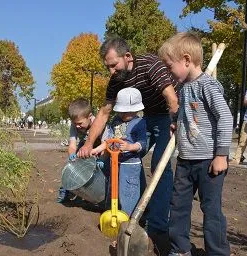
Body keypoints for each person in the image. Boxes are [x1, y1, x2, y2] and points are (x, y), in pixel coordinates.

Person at [77, 36, 179, 239]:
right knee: (124, 156)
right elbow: (104, 113)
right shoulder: (116, 80)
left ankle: (158, 225)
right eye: (108, 67)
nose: (111, 71)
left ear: (128, 56)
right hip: (143, 118)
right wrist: (89, 143)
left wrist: (176, 122)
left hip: (165, 116)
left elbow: (171, 97)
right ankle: (136, 209)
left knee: (160, 165)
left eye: (113, 65)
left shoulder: (150, 65)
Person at [156, 32, 233, 256]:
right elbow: (187, 115)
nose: (168, 73)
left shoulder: (208, 86)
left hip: (209, 160)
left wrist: (221, 154)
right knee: (178, 206)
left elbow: (225, 118)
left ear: (186, 60)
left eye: (169, 67)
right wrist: (176, 123)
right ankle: (180, 250)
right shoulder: (184, 88)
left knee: (211, 209)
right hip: (186, 160)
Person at [91, 87, 147, 216]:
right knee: (113, 188)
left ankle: (128, 218)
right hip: (114, 162)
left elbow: (143, 144)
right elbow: (109, 139)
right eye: (121, 111)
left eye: (126, 112)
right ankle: (113, 213)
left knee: (128, 191)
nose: (122, 114)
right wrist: (98, 149)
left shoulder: (140, 123)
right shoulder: (115, 121)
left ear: (135, 110)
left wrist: (129, 147)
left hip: (130, 165)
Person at [57, 98, 103, 203]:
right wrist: (72, 156)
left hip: (99, 147)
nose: (77, 126)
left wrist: (102, 159)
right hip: (84, 146)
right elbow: (72, 145)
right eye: (75, 123)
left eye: (80, 123)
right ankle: (65, 191)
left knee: (100, 171)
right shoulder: (75, 126)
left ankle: (100, 196)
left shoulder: (98, 124)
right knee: (72, 168)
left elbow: (106, 143)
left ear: (90, 117)